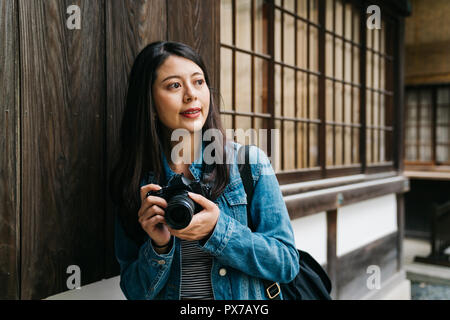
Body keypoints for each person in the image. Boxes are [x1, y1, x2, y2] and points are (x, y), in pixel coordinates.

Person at [109, 41, 299, 300]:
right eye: (174, 85)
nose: (191, 94)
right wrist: (159, 248)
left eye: (198, 82)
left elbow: (286, 263)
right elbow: (134, 292)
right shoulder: (134, 183)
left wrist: (218, 231)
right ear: (150, 102)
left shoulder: (249, 164)